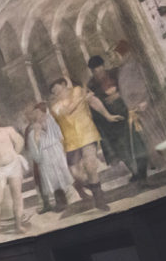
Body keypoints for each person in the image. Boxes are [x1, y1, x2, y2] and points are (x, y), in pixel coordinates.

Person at [49, 77, 123, 212]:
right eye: (53, 92)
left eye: (57, 89)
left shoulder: (78, 91)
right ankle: (95, 187)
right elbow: (68, 111)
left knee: (90, 166)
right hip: (70, 141)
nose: (56, 93)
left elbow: (93, 101)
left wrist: (107, 115)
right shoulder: (55, 106)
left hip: (87, 133)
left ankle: (99, 200)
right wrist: (83, 97)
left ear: (64, 85)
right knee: (76, 173)